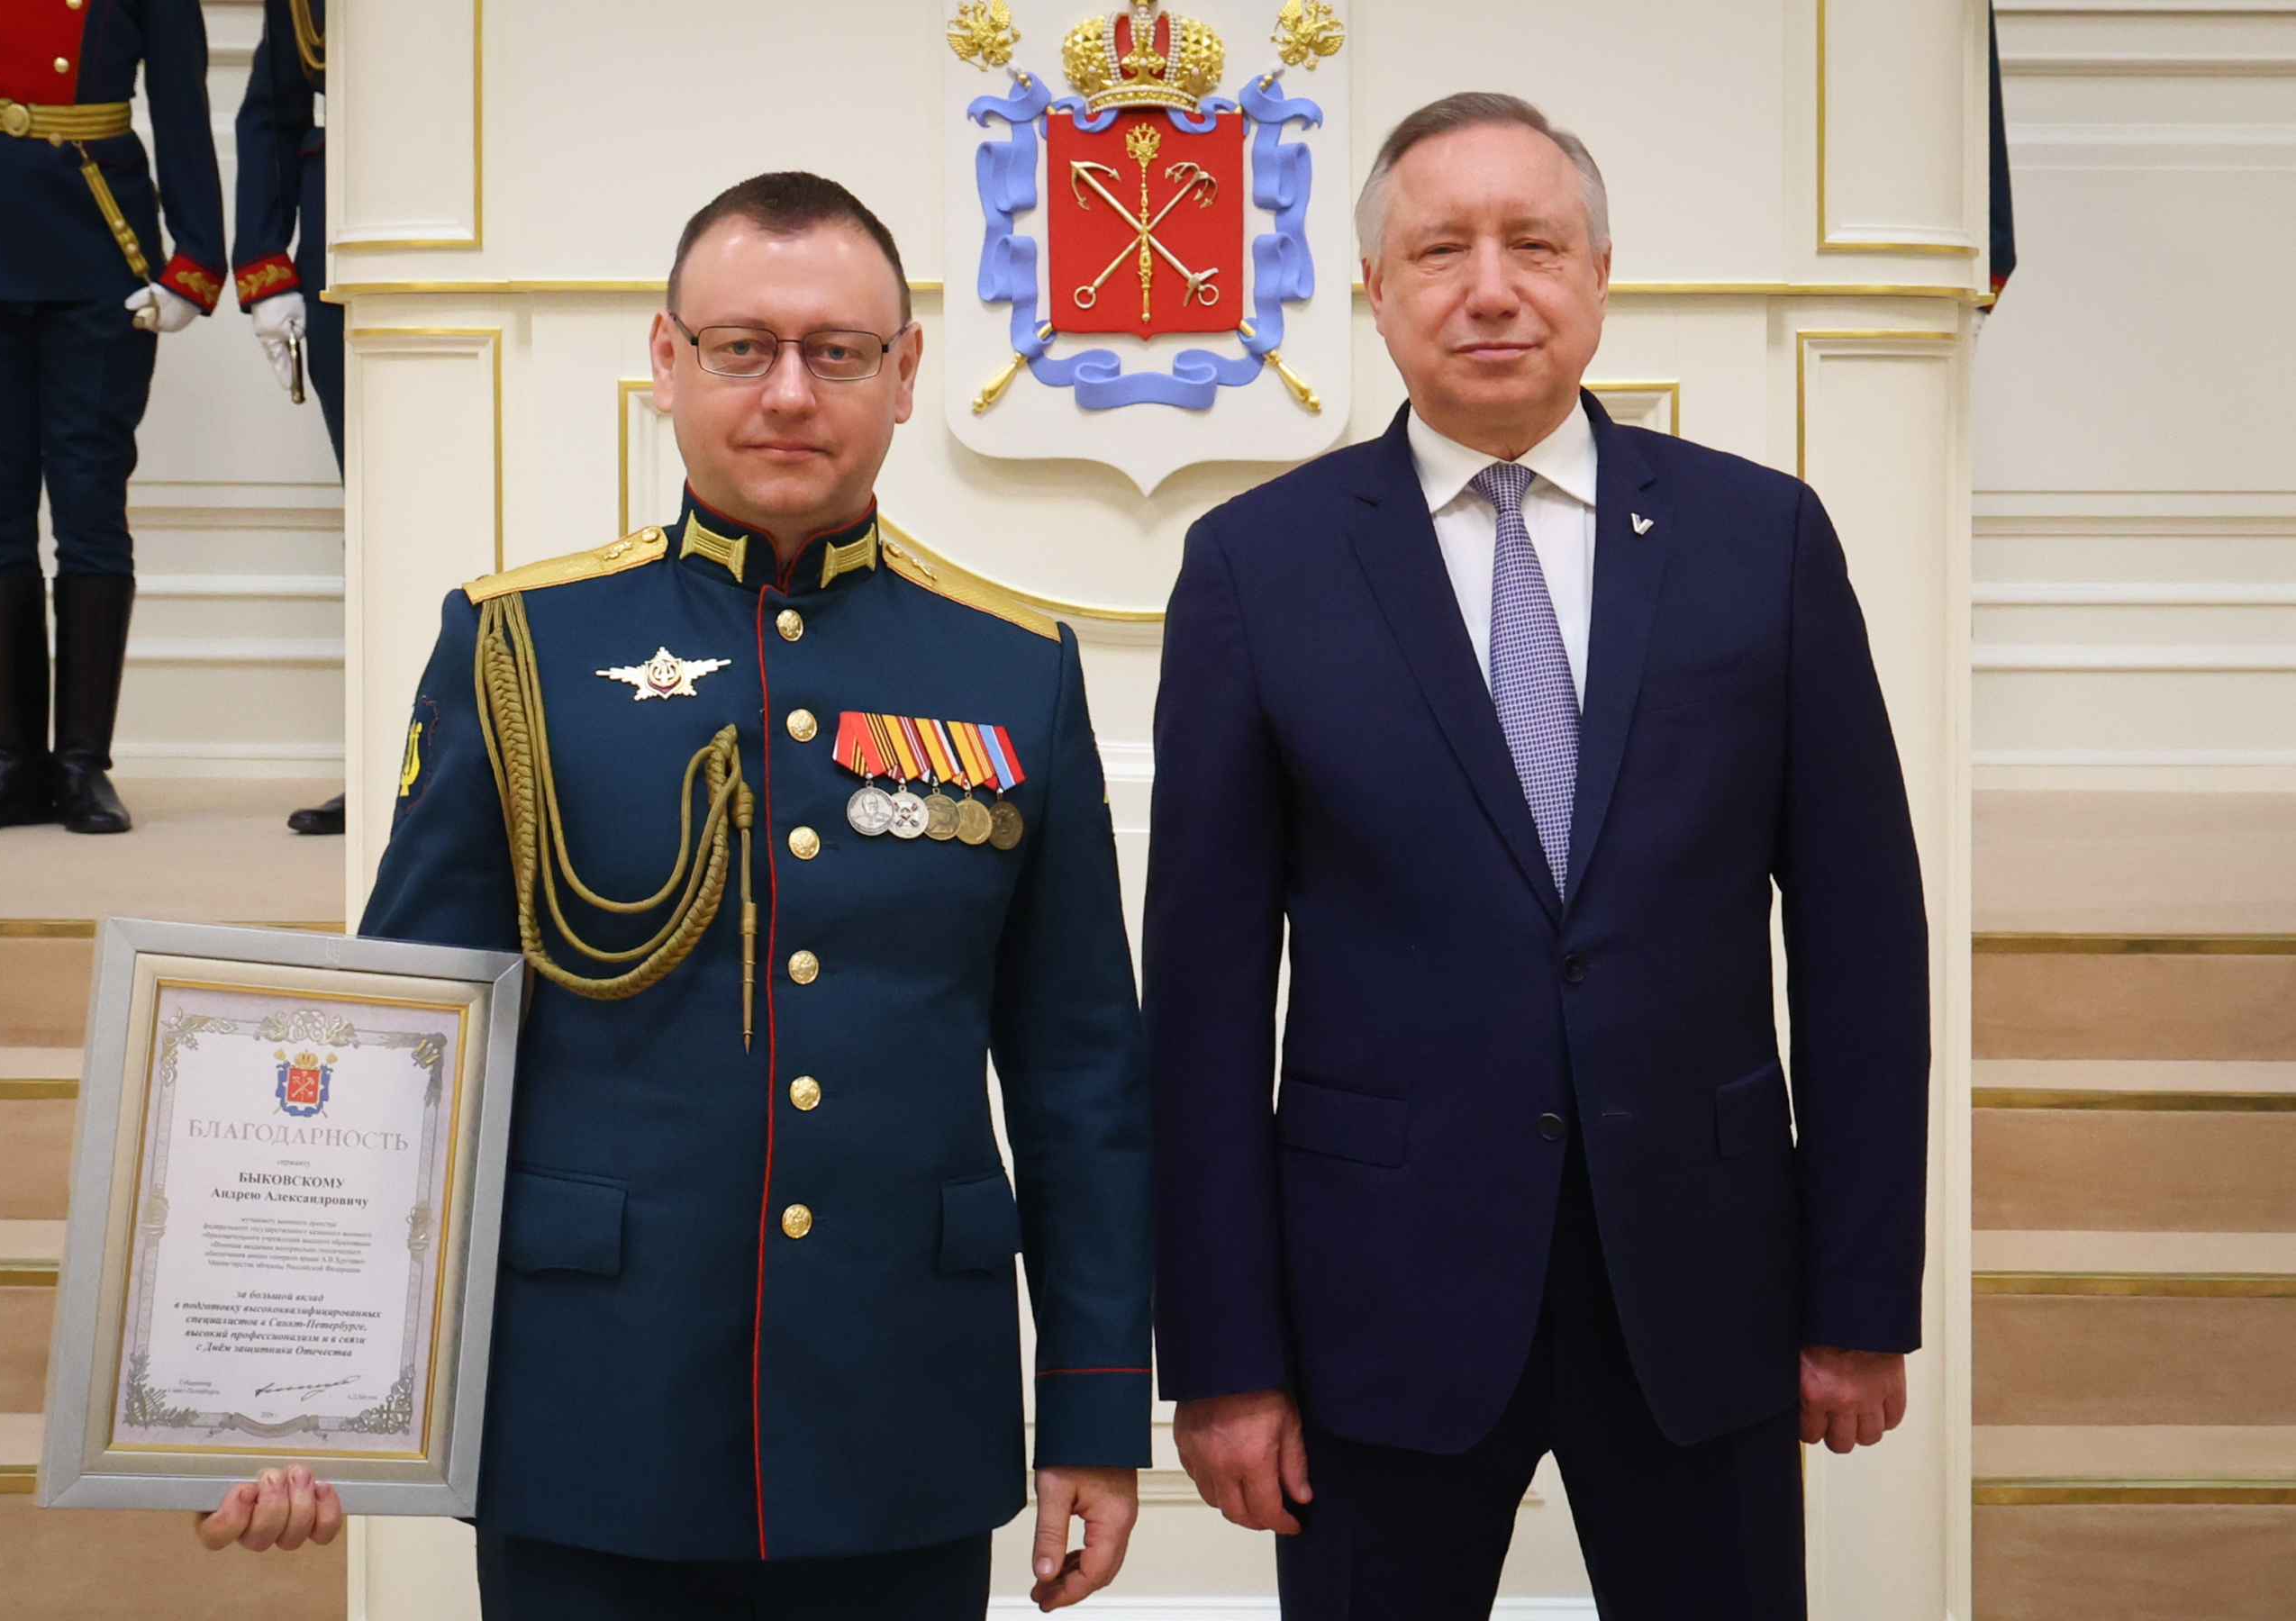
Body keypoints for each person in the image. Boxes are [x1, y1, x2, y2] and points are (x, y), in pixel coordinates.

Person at [195, 171, 1154, 1620]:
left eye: (838, 351)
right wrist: (304, 1390)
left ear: (905, 375)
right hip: (593, 1412)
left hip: (899, 1412)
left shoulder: (1013, 668)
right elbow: (400, 1055)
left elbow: (1081, 1070)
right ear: (666, 361)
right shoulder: (519, 650)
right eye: (741, 347)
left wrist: (1093, 1403)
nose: (789, 392)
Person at [1145, 93, 1930, 1619]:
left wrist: (1859, 1292)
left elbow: (1863, 947)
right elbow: (1203, 1000)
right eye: (1442, 250)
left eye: (1536, 245)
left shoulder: (1761, 541)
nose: (1491, 288)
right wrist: (1226, 1357)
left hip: (1705, 1285)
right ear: (1375, 289)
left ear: (1601, 273)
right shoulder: (1259, 566)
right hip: (1379, 1303)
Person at [0, 0, 227, 836]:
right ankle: (9, 767)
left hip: (99, 252)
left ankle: (81, 767)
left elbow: (182, 107)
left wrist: (194, 263)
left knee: (90, 508)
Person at [231, 0, 347, 838]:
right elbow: (274, 110)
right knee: (373, 522)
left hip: (501, 240)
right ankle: (392, 755)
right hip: (343, 249)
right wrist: (266, 263)